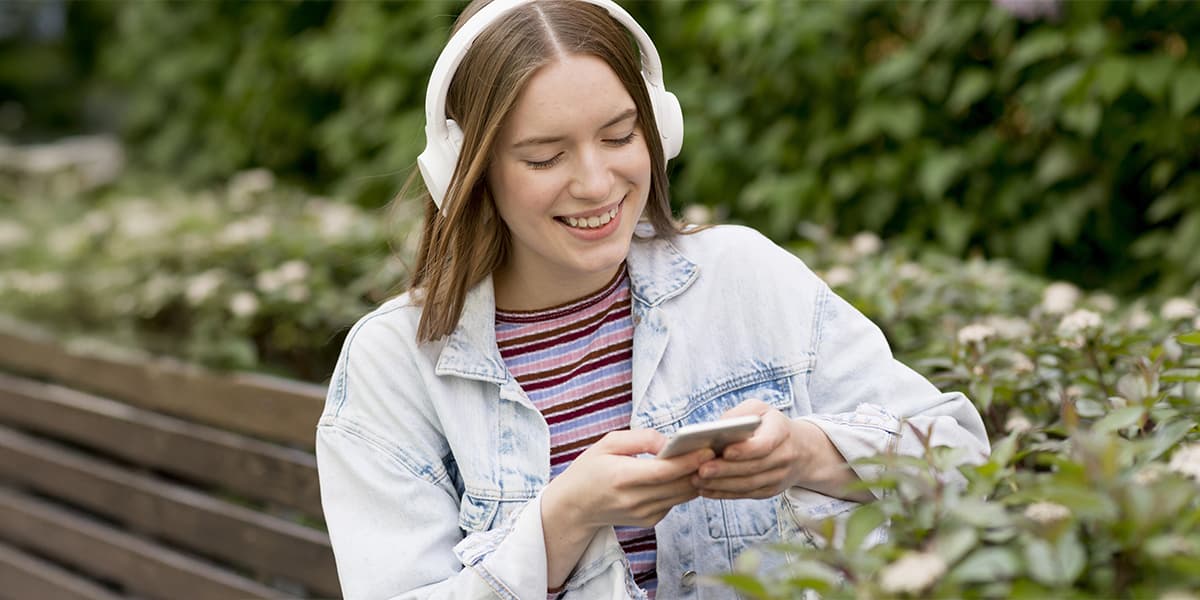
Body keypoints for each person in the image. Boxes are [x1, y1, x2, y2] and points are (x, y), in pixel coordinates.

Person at [314, 0, 990, 598]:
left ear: (658, 127)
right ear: (466, 170)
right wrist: (563, 520)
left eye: (618, 137)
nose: (595, 182)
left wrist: (809, 453)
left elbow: (961, 460)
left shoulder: (746, 276)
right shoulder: (393, 366)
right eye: (545, 157)